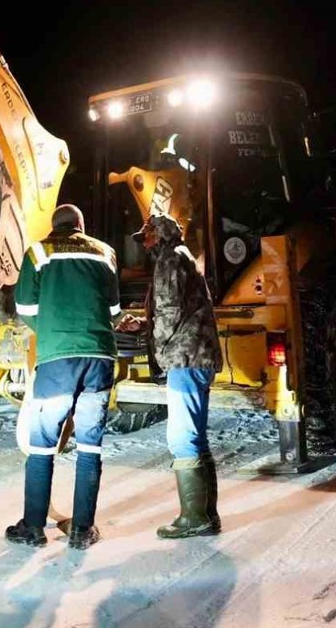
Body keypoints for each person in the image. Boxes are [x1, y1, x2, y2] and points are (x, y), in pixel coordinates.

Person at [5, 204, 121, 550]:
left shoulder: (39, 252)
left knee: (42, 444)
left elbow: (25, 309)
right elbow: (113, 310)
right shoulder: (105, 252)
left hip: (57, 360)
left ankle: (33, 527)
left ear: (55, 226)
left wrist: (54, 332)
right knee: (89, 443)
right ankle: (83, 529)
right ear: (81, 226)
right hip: (99, 356)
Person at [126, 213, 223, 538]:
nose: (145, 243)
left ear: (162, 235)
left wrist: (158, 350)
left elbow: (168, 312)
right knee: (195, 437)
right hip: (198, 354)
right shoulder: (184, 257)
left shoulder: (169, 261)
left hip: (185, 357)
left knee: (181, 438)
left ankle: (195, 518)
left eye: (149, 237)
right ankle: (206, 515)